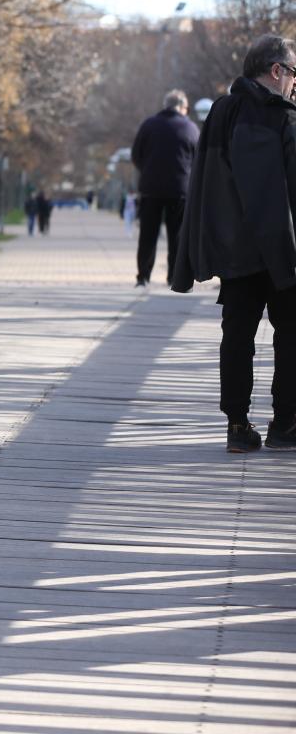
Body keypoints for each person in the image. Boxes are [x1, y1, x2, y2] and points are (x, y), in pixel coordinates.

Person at [173, 34, 296, 455]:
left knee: (238, 336)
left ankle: (238, 426)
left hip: (233, 250)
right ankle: (286, 424)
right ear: (276, 71)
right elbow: (276, 194)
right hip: (279, 249)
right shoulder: (278, 116)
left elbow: (205, 180)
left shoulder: (222, 111)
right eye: (293, 73)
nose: (294, 84)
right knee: (291, 333)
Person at [131, 89, 200, 288]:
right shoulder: (191, 129)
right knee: (177, 235)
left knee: (148, 235)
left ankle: (143, 276)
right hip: (180, 190)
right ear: (182, 107)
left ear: (166, 105)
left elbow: (136, 155)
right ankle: (174, 277)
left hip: (151, 188)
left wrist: (148, 170)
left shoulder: (149, 125)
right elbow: (198, 159)